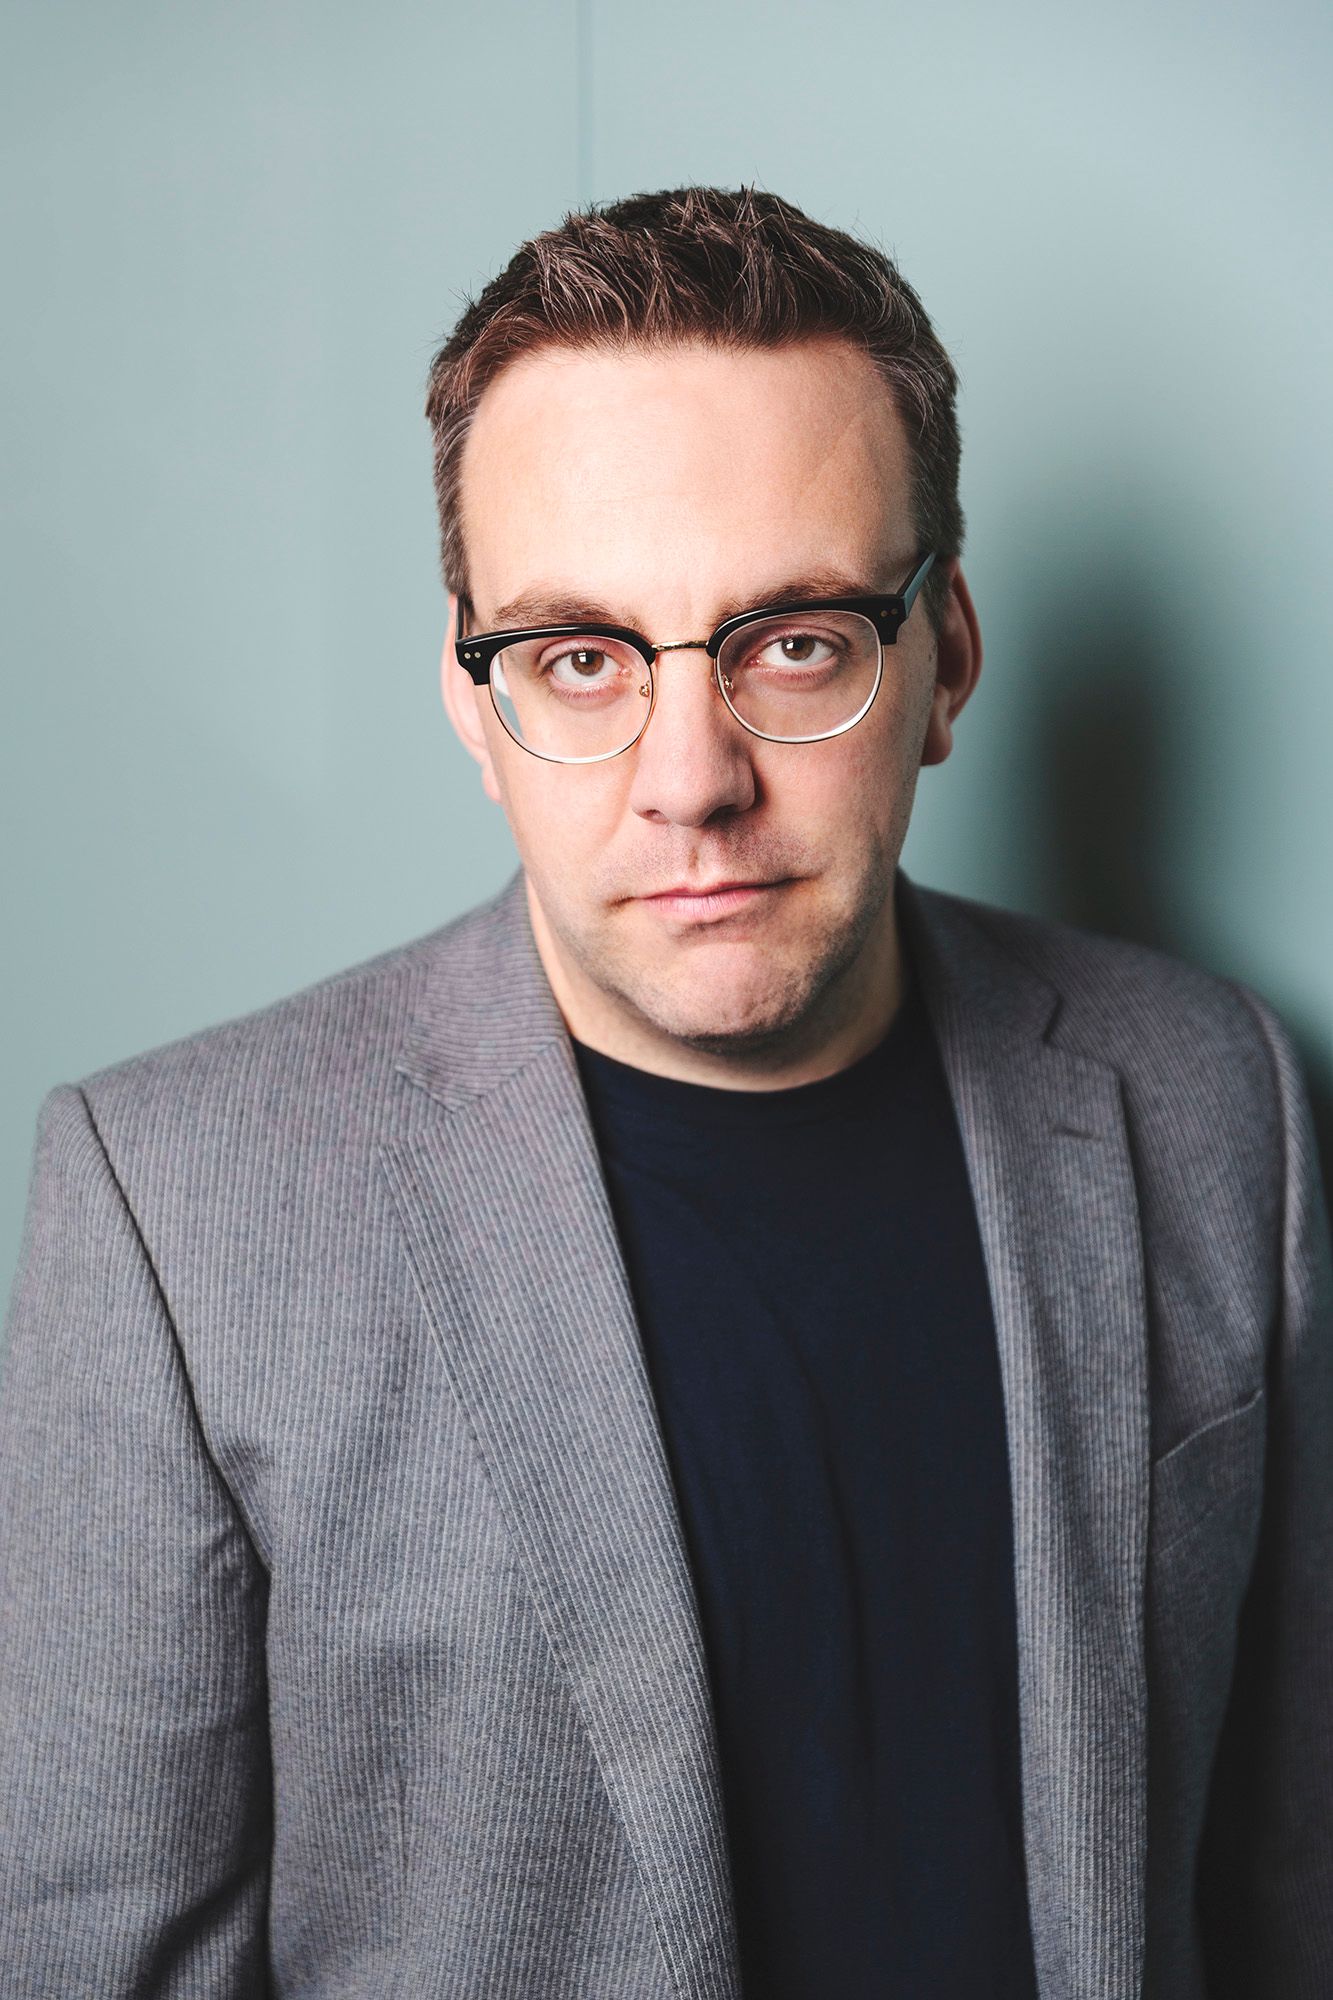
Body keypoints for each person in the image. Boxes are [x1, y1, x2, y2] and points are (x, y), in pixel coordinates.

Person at [0, 185, 1329, 2000]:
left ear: (941, 654)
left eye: (790, 641)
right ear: (475, 710)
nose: (688, 780)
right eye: (578, 658)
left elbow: (1289, 1879)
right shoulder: (169, 1207)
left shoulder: (1215, 1094)